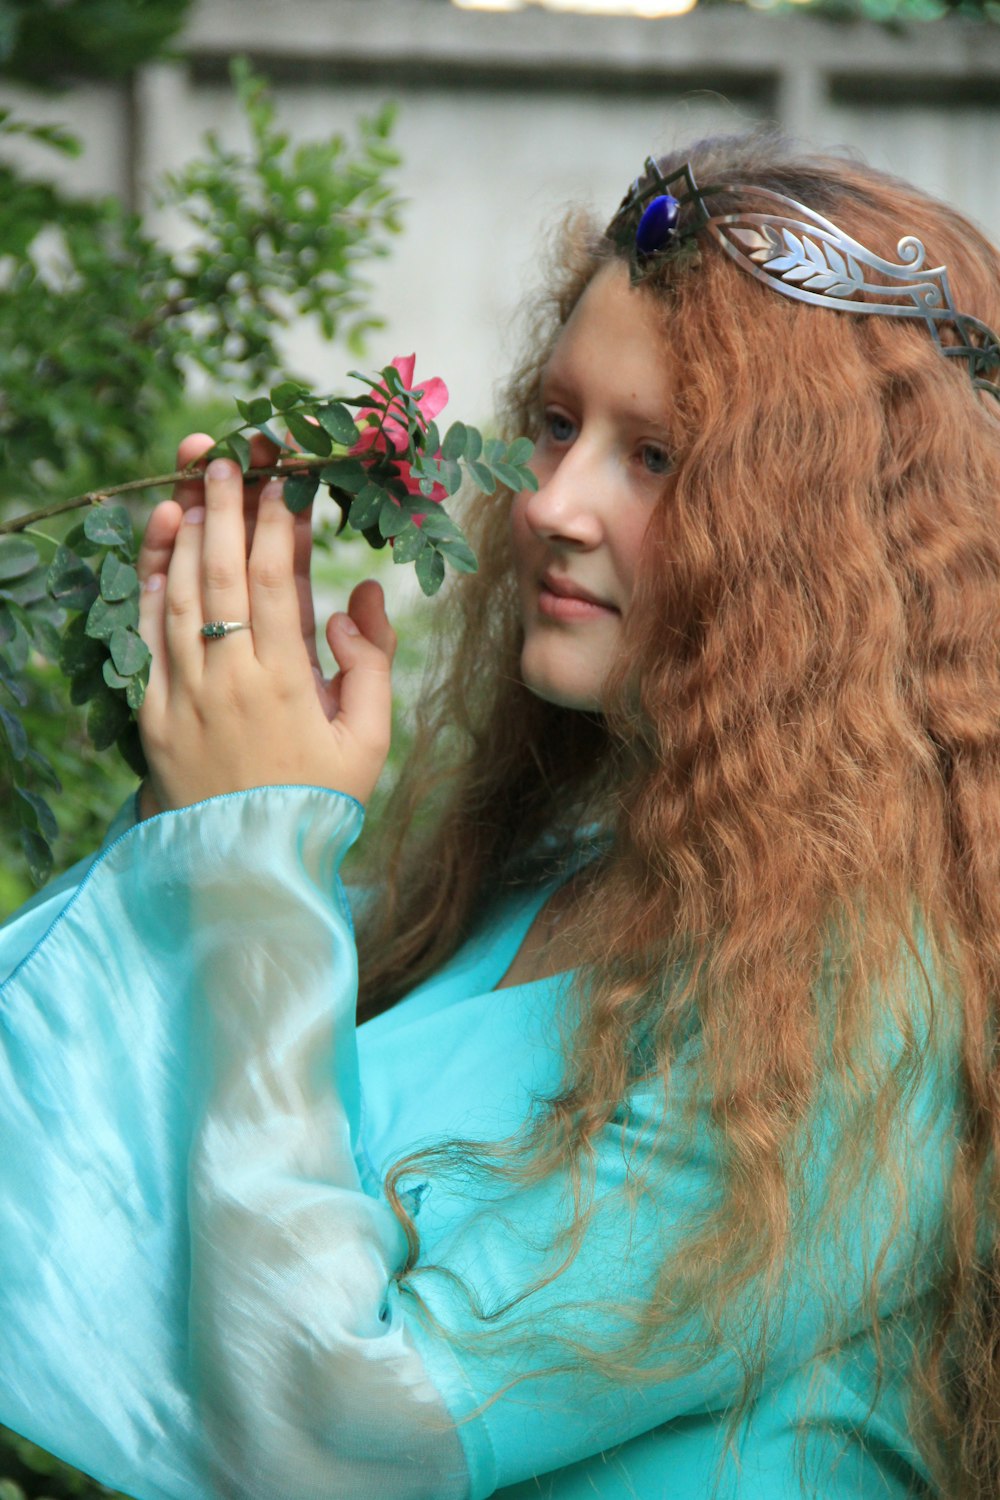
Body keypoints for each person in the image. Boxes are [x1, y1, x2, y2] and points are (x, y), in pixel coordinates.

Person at [1, 123, 999, 1500]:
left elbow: (338, 1447)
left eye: (657, 457)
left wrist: (248, 855)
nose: (550, 503)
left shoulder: (855, 1014)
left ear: (825, 553)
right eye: (556, 423)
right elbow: (97, 1152)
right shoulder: (535, 878)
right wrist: (214, 781)